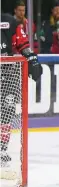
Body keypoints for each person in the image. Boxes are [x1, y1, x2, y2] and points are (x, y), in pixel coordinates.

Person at [0, 12, 42, 174]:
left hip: (8, 71)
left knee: (7, 110)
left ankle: (1, 149)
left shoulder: (8, 21)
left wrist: (32, 60)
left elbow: (22, 44)